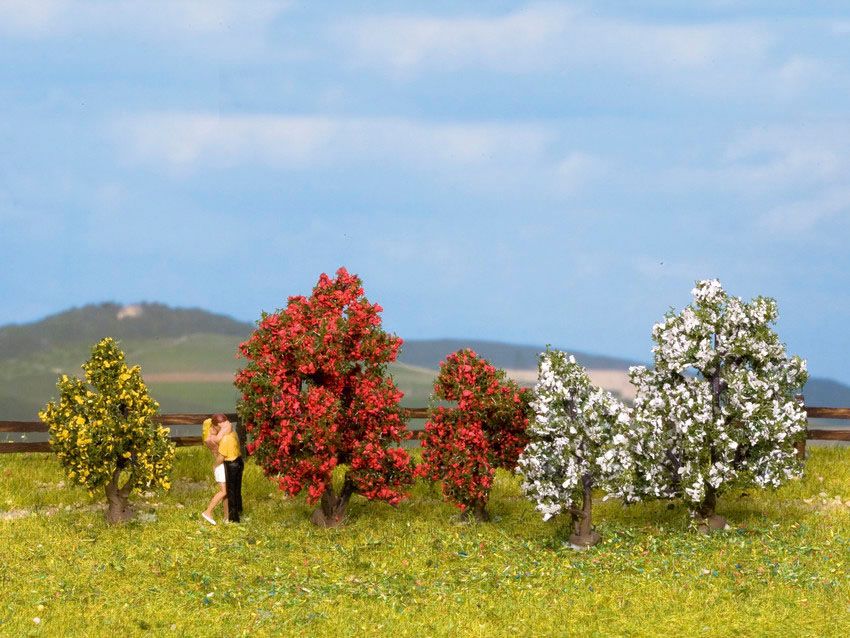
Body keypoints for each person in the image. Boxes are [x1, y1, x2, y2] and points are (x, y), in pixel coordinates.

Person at [206, 413, 243, 522]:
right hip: (238, 461)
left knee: (229, 492)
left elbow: (221, 457)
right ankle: (231, 515)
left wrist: (214, 466)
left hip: (230, 464)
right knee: (234, 491)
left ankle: (232, 517)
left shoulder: (225, 438)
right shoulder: (232, 433)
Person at [201, 417, 228, 525]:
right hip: (220, 466)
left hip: (220, 466)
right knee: (223, 491)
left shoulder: (208, 439)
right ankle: (208, 511)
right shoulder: (213, 439)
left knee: (226, 493)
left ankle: (226, 517)